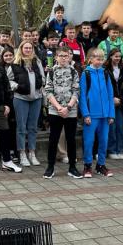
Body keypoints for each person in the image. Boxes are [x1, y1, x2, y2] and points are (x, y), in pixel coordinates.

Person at [43, 46, 82, 179]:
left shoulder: (73, 72)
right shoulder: (51, 72)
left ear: (69, 57)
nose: (64, 58)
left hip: (70, 110)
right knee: (53, 139)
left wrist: (68, 107)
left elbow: (76, 91)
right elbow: (48, 91)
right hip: (55, 110)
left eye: (66, 56)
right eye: (61, 56)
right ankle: (50, 167)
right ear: (56, 57)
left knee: (71, 139)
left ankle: (72, 167)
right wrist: (58, 107)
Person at [79, 48, 115, 178]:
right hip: (91, 115)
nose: (100, 61)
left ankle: (101, 165)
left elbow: (110, 94)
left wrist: (111, 114)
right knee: (89, 141)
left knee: (104, 141)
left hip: (105, 115)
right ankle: (87, 166)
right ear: (91, 59)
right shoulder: (86, 74)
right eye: (97, 59)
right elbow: (82, 96)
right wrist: (86, 114)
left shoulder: (105, 73)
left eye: (102, 59)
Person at [9, 41, 46, 166]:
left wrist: (40, 85)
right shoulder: (15, 63)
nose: (28, 50)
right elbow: (8, 80)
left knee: (33, 127)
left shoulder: (37, 62)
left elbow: (43, 77)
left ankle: (32, 152)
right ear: (21, 49)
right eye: (26, 48)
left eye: (30, 48)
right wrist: (16, 86)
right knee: (21, 127)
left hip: (36, 98)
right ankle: (22, 153)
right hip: (21, 98)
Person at [104, 48, 123, 160]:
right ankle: (112, 150)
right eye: (115, 56)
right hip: (110, 101)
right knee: (111, 127)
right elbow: (104, 87)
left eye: (119, 56)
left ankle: (120, 150)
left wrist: (121, 99)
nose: (118, 58)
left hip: (121, 101)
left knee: (120, 126)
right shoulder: (105, 69)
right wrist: (112, 98)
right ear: (110, 56)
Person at [0, 47, 19, 162]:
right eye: (6, 55)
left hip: (15, 98)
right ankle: (4, 151)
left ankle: (14, 150)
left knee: (13, 126)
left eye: (10, 55)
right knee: (4, 127)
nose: (8, 57)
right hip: (3, 100)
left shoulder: (18, 66)